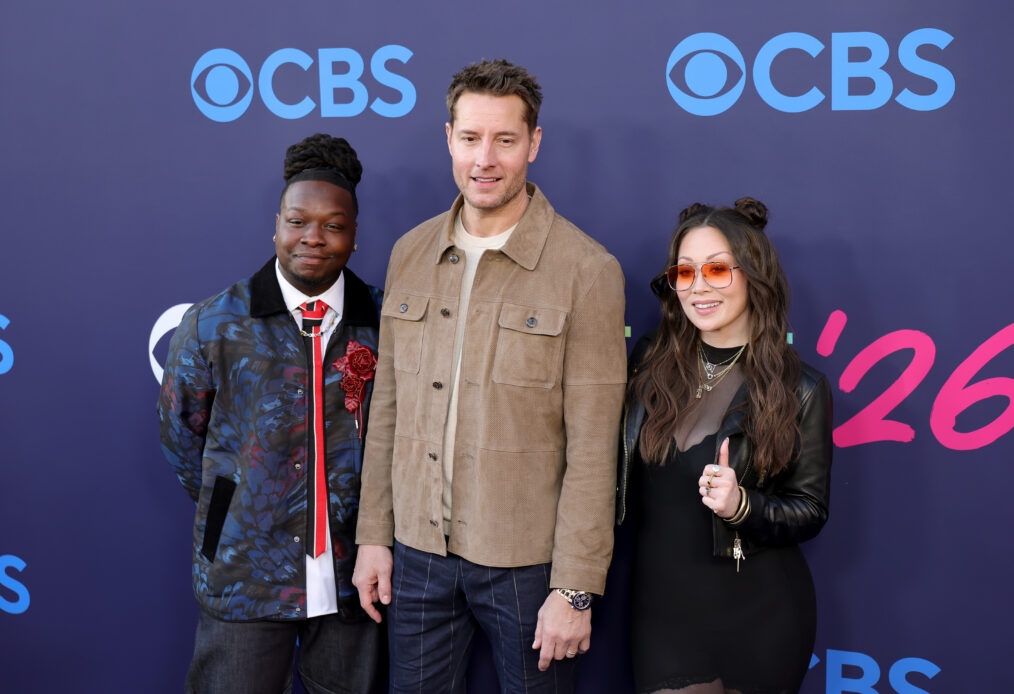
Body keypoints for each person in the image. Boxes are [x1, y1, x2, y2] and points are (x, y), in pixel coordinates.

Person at [351, 59, 627, 693]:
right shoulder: (410, 252)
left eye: (505, 139)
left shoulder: (587, 270)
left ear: (534, 143)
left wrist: (576, 589)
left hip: (529, 566)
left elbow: (594, 449)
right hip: (416, 554)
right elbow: (386, 408)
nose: (486, 158)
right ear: (448, 137)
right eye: (471, 137)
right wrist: (374, 537)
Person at [158, 133, 385, 694]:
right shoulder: (217, 324)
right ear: (276, 225)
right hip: (245, 573)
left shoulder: (384, 322)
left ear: (354, 237)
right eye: (298, 221)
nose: (313, 237)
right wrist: (237, 506)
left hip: (354, 576)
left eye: (333, 225)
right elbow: (182, 437)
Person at [618, 198, 833, 694]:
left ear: (753, 275)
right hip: (662, 609)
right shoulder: (650, 359)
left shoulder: (801, 388)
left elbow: (811, 509)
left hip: (760, 613)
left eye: (716, 269)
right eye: (685, 272)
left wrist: (742, 505)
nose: (699, 287)